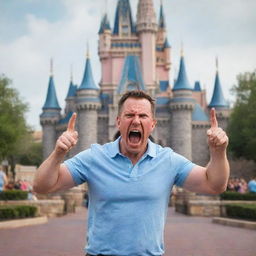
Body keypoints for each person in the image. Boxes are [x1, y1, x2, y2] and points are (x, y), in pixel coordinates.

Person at [33, 90, 230, 256]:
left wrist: (218, 151)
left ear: (152, 124)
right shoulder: (94, 157)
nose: (136, 121)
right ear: (118, 121)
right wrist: (58, 153)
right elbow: (42, 186)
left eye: (143, 116)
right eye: (129, 115)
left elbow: (214, 184)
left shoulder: (167, 160)